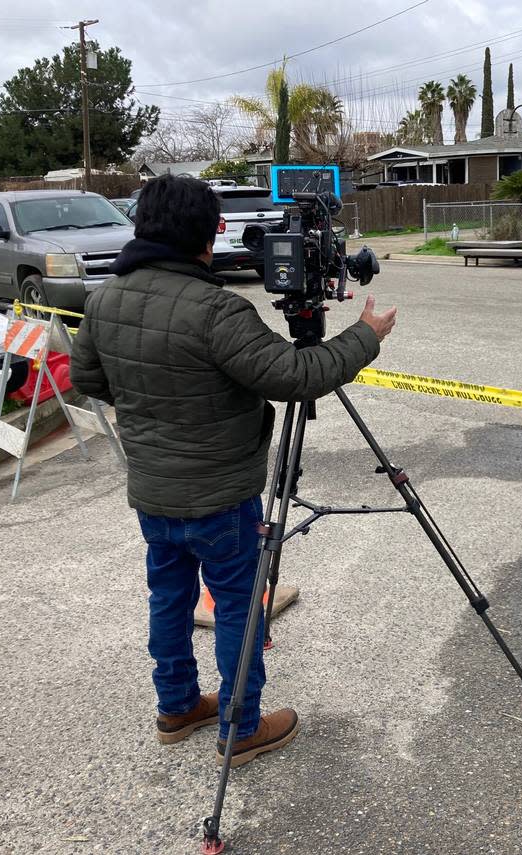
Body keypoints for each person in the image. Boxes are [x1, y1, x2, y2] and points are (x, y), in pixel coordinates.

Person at [70, 175, 397, 767]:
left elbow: (90, 382)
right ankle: (241, 728)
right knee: (239, 606)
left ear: (142, 227)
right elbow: (297, 378)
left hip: (153, 493)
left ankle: (176, 707)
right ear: (207, 234)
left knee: (168, 597)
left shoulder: (103, 299)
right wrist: (365, 337)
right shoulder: (217, 309)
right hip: (220, 496)